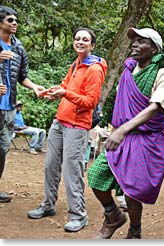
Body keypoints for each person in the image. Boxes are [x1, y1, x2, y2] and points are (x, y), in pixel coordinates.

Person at [87, 27, 164, 239]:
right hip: (122, 134)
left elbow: (156, 106)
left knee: (132, 190)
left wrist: (123, 130)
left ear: (154, 49)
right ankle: (113, 215)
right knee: (96, 175)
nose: (134, 45)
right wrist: (116, 130)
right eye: (134, 41)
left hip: (147, 138)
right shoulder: (129, 70)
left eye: (141, 41)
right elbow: (123, 104)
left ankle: (135, 231)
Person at [27, 27, 107, 233]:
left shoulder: (95, 68)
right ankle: (48, 205)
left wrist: (66, 94)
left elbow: (91, 101)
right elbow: (66, 86)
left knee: (73, 171)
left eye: (85, 40)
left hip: (77, 126)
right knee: (50, 166)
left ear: (92, 45)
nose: (80, 42)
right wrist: (54, 92)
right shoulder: (76, 64)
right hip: (59, 122)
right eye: (77, 39)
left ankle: (78, 215)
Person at [0, 6, 45, 203]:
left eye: (16, 20)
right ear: (1, 22)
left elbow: (22, 77)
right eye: (10, 20)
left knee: (2, 150)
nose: (14, 23)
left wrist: (34, 87)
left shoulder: (18, 48)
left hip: (8, 107)